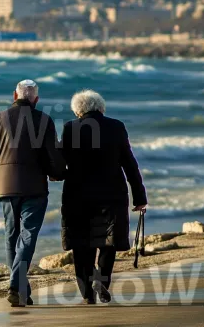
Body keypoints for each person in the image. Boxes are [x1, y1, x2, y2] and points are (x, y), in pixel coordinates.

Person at [0, 79, 65, 307]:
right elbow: (52, 156)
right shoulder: (44, 120)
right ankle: (16, 285)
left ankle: (21, 291)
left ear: (15, 96)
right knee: (28, 237)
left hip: (5, 188)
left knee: (12, 237)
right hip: (35, 187)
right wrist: (58, 174)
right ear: (36, 99)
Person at [58, 90, 148, 304]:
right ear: (101, 108)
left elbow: (61, 160)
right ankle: (102, 280)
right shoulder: (116, 126)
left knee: (82, 243)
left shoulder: (71, 128)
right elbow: (129, 163)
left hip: (77, 195)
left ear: (78, 111)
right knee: (109, 241)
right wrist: (139, 197)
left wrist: (53, 175)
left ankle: (87, 294)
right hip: (112, 193)